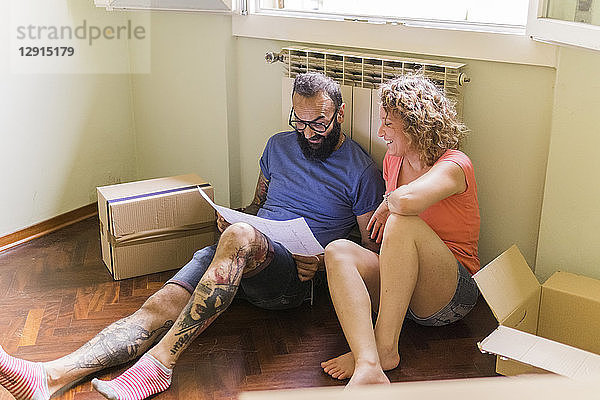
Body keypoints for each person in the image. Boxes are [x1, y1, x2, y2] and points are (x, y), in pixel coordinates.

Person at [0, 72, 385, 400]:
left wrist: (318, 264)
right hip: (239, 249)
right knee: (157, 306)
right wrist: (231, 220)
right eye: (298, 122)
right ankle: (49, 376)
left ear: (340, 113)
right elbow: (255, 206)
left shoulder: (360, 170)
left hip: (289, 279)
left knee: (240, 236)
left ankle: (160, 364)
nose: (308, 133)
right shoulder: (277, 146)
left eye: (318, 123)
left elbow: (366, 254)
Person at [320, 74, 480, 387]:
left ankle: (385, 349)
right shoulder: (394, 162)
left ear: (415, 125)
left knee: (402, 221)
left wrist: (386, 203)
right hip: (403, 288)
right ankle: (368, 363)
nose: (380, 133)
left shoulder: (455, 164)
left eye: (388, 125)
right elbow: (398, 202)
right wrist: (386, 202)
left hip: (450, 293)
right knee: (338, 250)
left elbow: (405, 203)